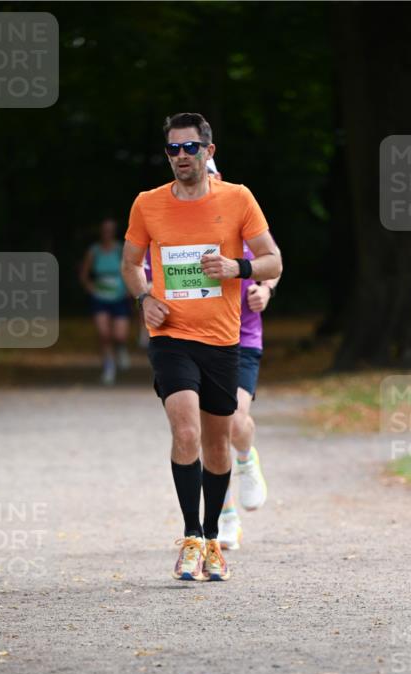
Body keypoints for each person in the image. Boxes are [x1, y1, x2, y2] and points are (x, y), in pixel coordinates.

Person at [122, 112, 282, 581]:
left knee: (218, 442)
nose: (181, 156)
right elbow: (131, 263)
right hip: (171, 338)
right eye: (173, 149)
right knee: (186, 431)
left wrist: (238, 269)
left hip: (221, 339)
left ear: (208, 152)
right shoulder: (147, 204)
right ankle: (191, 537)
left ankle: (213, 537)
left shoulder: (238, 199)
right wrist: (144, 297)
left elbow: (272, 260)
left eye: (190, 148)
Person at [218, 237, 281, 550]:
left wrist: (266, 289)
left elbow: (274, 260)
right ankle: (226, 517)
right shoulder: (174, 221)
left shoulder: (241, 214)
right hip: (196, 340)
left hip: (243, 339)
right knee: (209, 433)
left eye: (213, 181)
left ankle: (245, 458)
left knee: (234, 421)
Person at [80, 219, 132, 385]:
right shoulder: (94, 251)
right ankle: (109, 366)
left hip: (119, 297)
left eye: (110, 230)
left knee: (120, 335)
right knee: (104, 334)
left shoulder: (120, 249)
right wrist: (91, 288)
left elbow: (131, 268)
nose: (107, 233)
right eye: (104, 230)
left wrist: (130, 289)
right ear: (101, 232)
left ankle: (121, 348)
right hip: (100, 298)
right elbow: (84, 273)